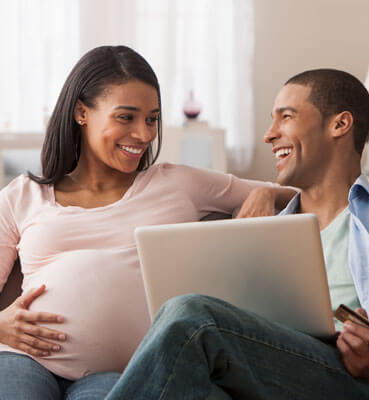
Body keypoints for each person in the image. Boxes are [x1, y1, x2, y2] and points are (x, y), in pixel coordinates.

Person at [0, 45, 293, 399]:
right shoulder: (22, 195)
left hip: (123, 371)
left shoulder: (178, 183)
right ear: (82, 112)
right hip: (23, 360)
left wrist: (263, 194)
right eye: (126, 117)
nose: (144, 134)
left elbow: (301, 193)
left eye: (152, 119)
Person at [105, 69, 369, 400]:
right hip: (262, 379)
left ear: (339, 125)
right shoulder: (265, 230)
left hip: (354, 384)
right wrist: (270, 195)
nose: (269, 135)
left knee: (192, 315)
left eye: (285, 117)